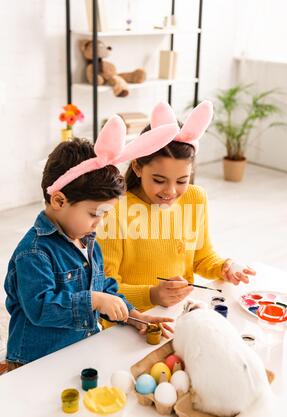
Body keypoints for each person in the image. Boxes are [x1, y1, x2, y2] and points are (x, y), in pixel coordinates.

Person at [4, 114, 179, 370]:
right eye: (94, 214)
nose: (99, 223)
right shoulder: (33, 253)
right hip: (36, 361)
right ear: (59, 201)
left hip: (79, 347)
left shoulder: (86, 239)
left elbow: (102, 285)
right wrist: (93, 300)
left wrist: (133, 315)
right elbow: (40, 307)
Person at [98, 101, 256, 313]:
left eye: (182, 180)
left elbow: (202, 257)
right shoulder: (115, 210)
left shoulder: (195, 198)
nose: (171, 191)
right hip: (132, 319)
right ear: (137, 167)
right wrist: (152, 295)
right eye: (159, 180)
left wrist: (224, 267)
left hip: (178, 312)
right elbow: (103, 288)